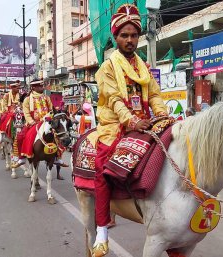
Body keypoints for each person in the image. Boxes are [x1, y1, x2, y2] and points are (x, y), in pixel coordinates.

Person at [90, 4, 168, 256]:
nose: (130, 40)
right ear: (116, 37)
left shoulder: (142, 66)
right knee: (102, 170)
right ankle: (102, 230)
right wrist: (132, 122)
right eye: (124, 35)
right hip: (115, 126)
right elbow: (113, 99)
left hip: (144, 123)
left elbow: (154, 94)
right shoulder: (107, 67)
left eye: (134, 35)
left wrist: (163, 115)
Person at [12, 79, 68, 168]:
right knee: (20, 137)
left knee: (58, 134)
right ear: (33, 87)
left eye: (42, 86)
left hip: (47, 122)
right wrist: (32, 122)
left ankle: (57, 157)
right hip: (33, 123)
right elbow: (26, 113)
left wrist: (51, 116)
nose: (42, 87)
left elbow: (51, 109)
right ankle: (22, 157)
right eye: (40, 86)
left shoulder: (47, 98)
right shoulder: (27, 99)